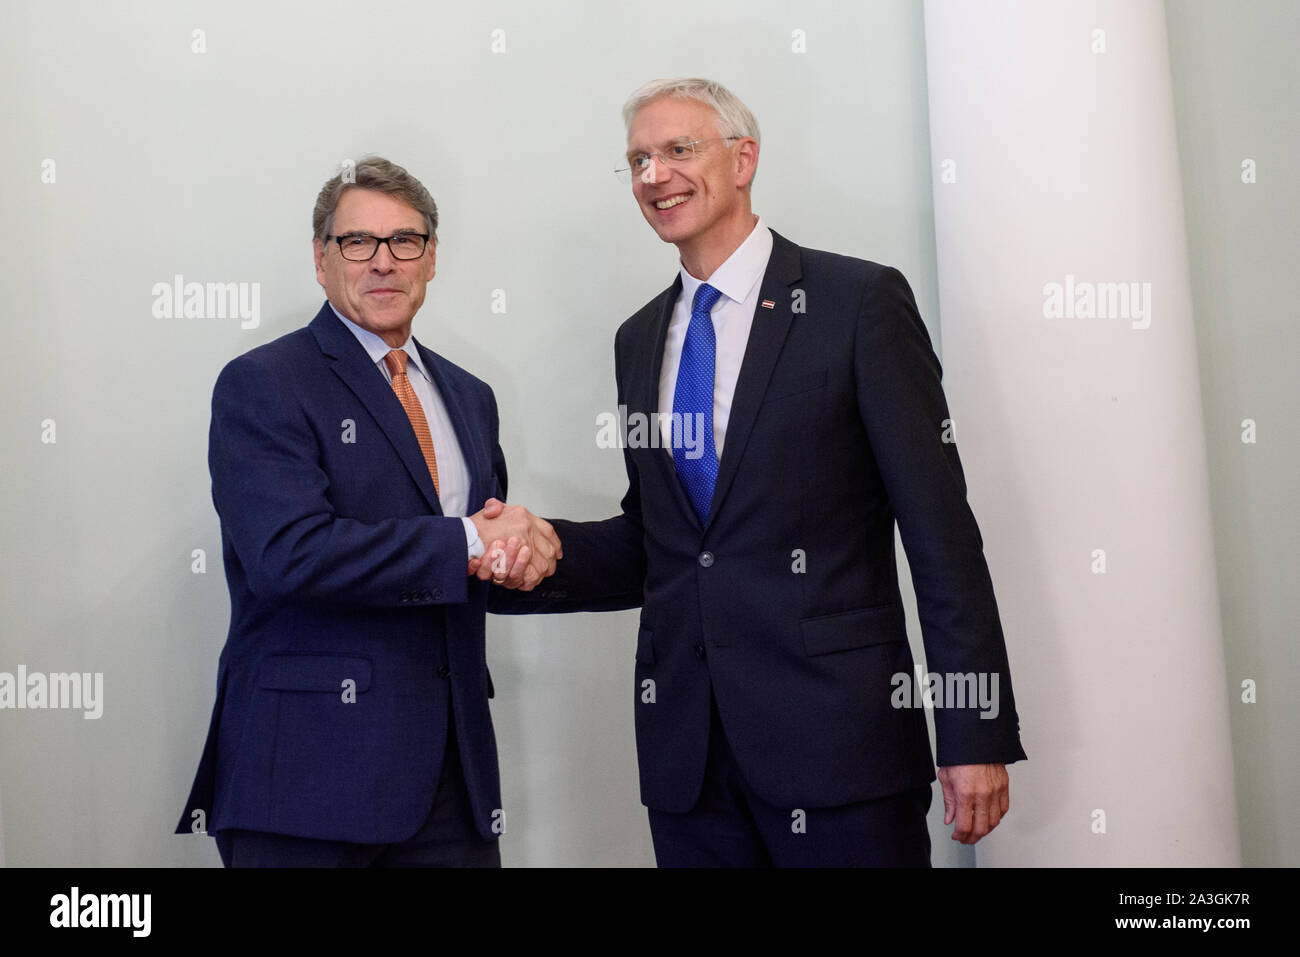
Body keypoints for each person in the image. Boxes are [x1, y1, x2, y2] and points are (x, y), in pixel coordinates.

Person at [482, 78, 1026, 866]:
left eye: (677, 150)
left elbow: (940, 532)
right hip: (692, 766)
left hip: (843, 754)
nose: (653, 175)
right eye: (636, 160)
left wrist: (973, 730)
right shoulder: (638, 340)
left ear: (745, 160)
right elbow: (662, 541)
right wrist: (546, 548)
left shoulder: (858, 302)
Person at [174, 156, 560, 867]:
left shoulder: (471, 395)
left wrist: (534, 548)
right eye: (357, 242)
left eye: (404, 241)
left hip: (454, 784)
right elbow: (290, 555)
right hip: (308, 784)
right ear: (321, 261)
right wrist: (472, 540)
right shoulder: (262, 383)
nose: (383, 262)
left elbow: (471, 563)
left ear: (432, 259)